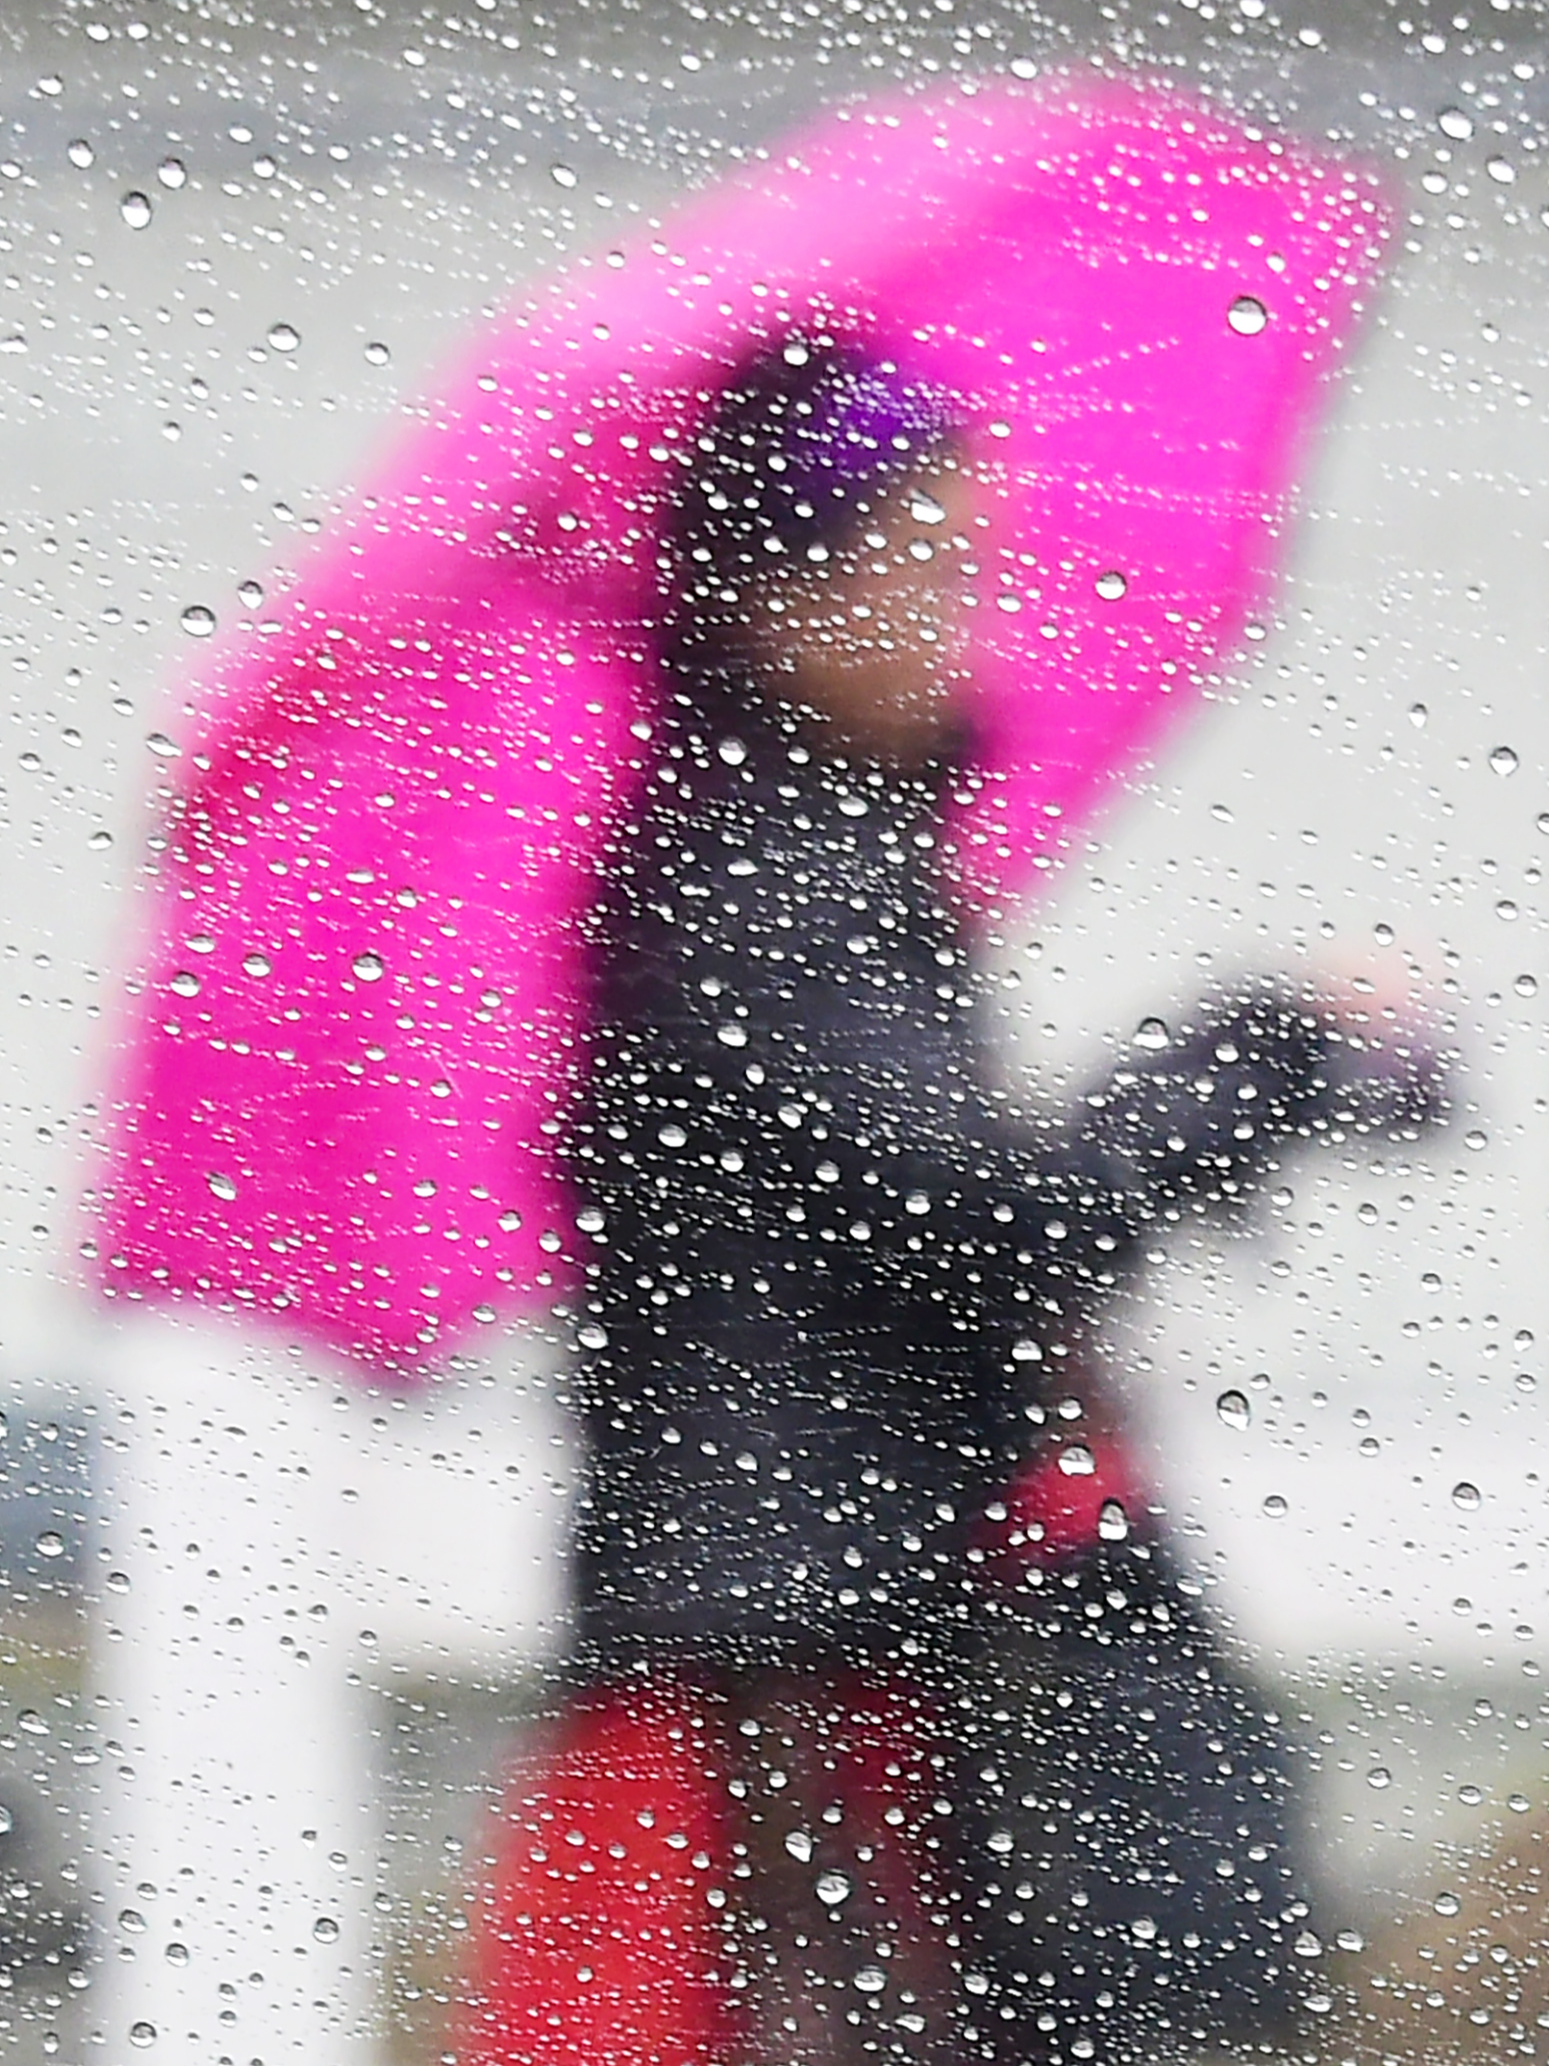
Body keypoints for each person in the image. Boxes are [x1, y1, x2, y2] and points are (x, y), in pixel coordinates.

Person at [458, 335, 1439, 2066]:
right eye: (910, 562)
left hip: (819, 1632)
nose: (953, 612)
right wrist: (1264, 1047)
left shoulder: (804, 847)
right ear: (775, 593)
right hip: (789, 1665)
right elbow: (993, 1222)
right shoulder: (769, 874)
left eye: (963, 560)